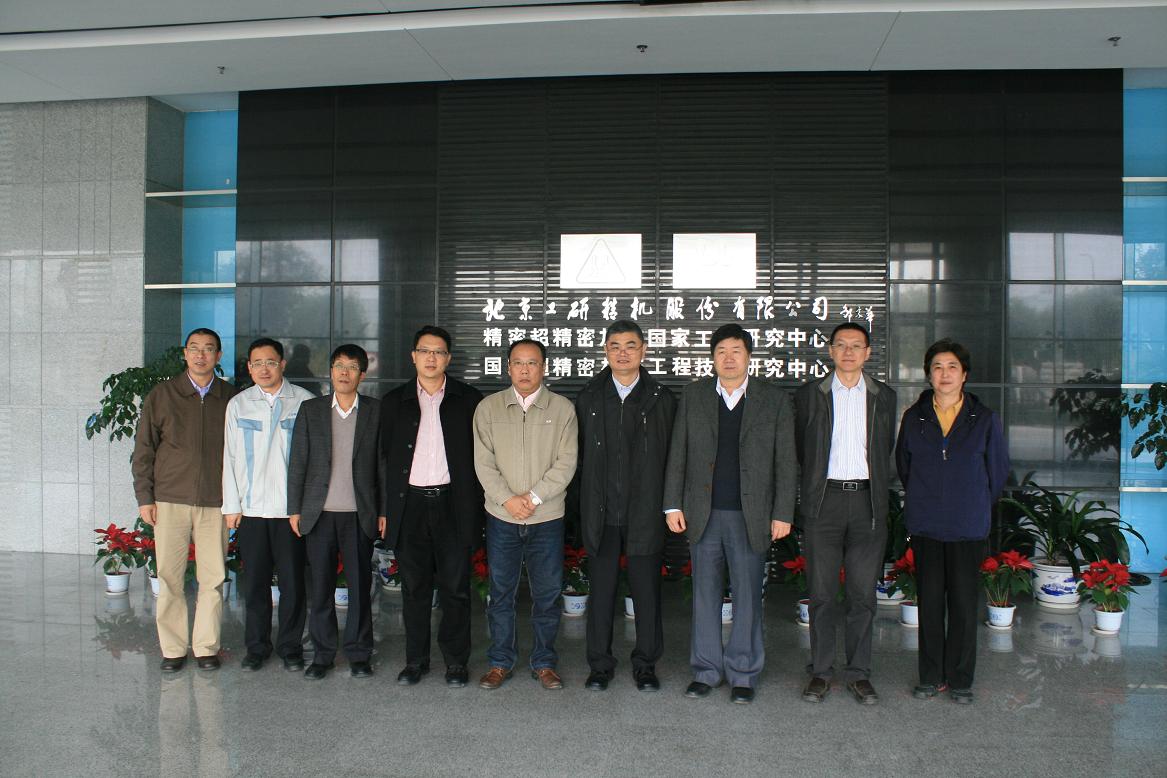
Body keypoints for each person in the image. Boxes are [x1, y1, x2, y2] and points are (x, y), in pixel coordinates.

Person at [663, 323, 797, 704]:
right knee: (704, 595)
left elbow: (787, 461)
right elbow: (678, 452)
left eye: (736, 351)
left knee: (748, 595)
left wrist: (783, 512)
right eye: (721, 351)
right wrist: (673, 503)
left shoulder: (773, 399)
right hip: (703, 513)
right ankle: (706, 670)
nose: (729, 358)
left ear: (749, 356)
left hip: (751, 515)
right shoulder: (694, 395)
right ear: (712, 358)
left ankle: (743, 672)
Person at [895, 339, 1009, 705]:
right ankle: (930, 676)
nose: (944, 374)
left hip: (966, 527)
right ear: (929, 375)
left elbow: (997, 472)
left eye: (952, 367)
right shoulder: (914, 418)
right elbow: (904, 466)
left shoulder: (984, 419)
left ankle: (960, 679)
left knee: (962, 605)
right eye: (937, 367)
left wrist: (970, 504)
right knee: (929, 604)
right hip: (927, 525)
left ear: (964, 375)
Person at [793, 322, 897, 705]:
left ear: (868, 353)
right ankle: (820, 672)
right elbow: (801, 449)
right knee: (821, 593)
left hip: (868, 503)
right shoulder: (811, 395)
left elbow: (886, 450)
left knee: (862, 594)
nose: (849, 352)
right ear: (830, 351)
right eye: (841, 345)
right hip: (824, 502)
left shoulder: (884, 396)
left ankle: (858, 673)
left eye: (856, 346)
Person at [575, 320, 676, 692]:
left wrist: (670, 506)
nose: (622, 353)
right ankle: (599, 665)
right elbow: (577, 459)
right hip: (601, 513)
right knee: (601, 594)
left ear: (643, 350)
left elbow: (674, 459)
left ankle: (646, 665)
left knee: (646, 593)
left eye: (630, 345)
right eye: (615, 346)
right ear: (605, 350)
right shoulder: (589, 397)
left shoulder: (662, 398)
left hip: (644, 512)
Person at [473, 339, 578, 691]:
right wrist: (507, 500)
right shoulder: (488, 408)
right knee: (501, 593)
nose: (524, 369)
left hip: (546, 518)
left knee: (546, 594)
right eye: (518, 362)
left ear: (543, 368)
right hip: (501, 517)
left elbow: (566, 463)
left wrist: (532, 498)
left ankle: (544, 663)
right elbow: (483, 463)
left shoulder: (562, 409)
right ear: (508, 367)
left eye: (532, 363)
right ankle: (500, 662)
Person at [381, 326, 483, 688]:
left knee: (456, 588)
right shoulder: (394, 401)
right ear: (413, 356)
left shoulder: (468, 400)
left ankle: (456, 662)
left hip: (453, 505)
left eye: (438, 352)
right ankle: (416, 661)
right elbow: (382, 461)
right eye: (424, 351)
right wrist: (385, 511)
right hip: (409, 506)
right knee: (414, 588)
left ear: (448, 359)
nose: (431, 358)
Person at [132, 328, 239, 673]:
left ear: (218, 356)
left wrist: (235, 502)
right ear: (185, 353)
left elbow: (240, 455)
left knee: (213, 577)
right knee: (169, 577)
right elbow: (144, 450)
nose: (201, 355)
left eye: (208, 349)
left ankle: (206, 647)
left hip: (215, 502)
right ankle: (173, 648)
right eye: (194, 348)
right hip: (169, 500)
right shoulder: (162, 395)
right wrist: (145, 497)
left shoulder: (231, 398)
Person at [287, 344, 387, 680]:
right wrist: (294, 508)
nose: (345, 372)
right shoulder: (311, 410)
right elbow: (298, 461)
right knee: (321, 587)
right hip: (319, 513)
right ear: (330, 371)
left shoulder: (375, 411)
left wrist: (383, 510)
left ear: (363, 374)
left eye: (352, 367)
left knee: (360, 586)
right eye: (339, 366)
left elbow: (383, 465)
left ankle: (359, 653)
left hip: (359, 513)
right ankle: (323, 654)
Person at [222, 337, 315, 672]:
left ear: (282, 365)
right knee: (255, 584)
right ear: (249, 368)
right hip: (252, 511)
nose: (264, 369)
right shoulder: (239, 404)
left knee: (293, 584)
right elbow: (229, 457)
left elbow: (314, 461)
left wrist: (305, 508)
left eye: (271, 362)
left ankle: (290, 646)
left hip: (291, 512)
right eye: (257, 363)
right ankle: (257, 647)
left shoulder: (304, 402)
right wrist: (232, 506)